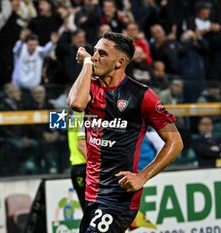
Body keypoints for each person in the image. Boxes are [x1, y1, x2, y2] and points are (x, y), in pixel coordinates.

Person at [68, 32, 183, 233]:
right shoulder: (91, 86)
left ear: (119, 62)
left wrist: (143, 176)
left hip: (119, 197)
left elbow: (175, 142)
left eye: (101, 53)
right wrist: (86, 64)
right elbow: (76, 104)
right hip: (92, 193)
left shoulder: (142, 95)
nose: (94, 56)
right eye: (94, 51)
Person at [68, 110, 87, 210]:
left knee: (87, 209)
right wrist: (97, 166)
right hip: (85, 167)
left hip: (77, 168)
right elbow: (81, 144)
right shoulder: (83, 117)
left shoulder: (74, 117)